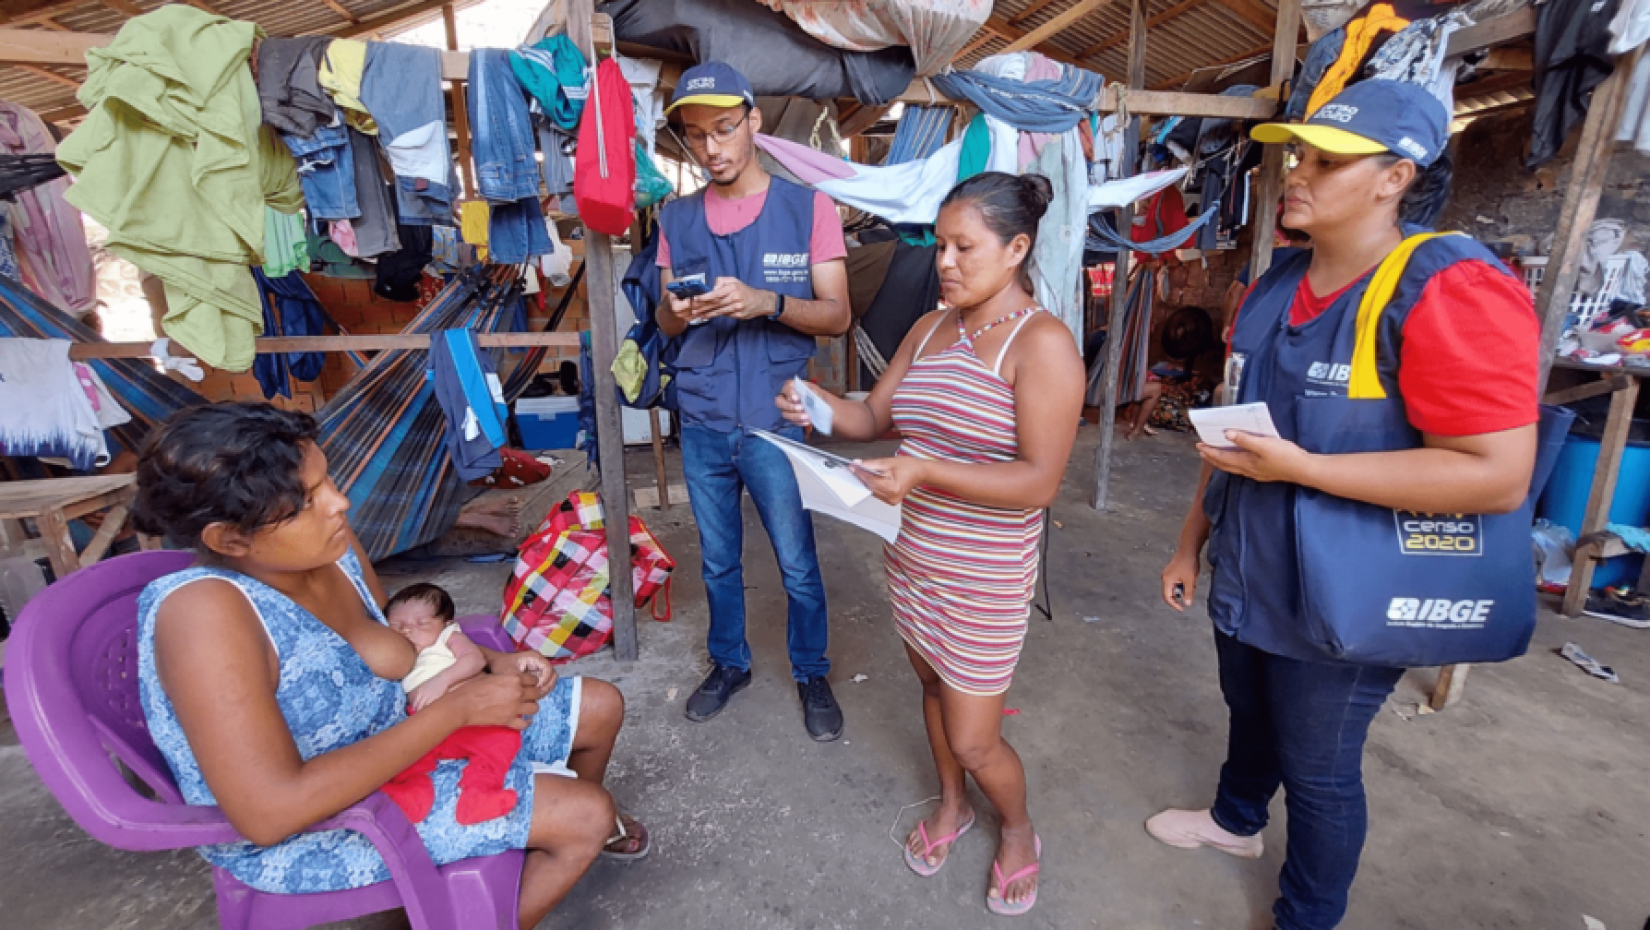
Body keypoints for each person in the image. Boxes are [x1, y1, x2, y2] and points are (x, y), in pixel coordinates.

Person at [1153, 80, 1539, 930]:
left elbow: (1499, 474)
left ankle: (1308, 916)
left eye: (1327, 161)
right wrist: (1191, 539)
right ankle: (1235, 822)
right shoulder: (1270, 288)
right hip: (1252, 565)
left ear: (1394, 177)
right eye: (1298, 154)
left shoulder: (1447, 288)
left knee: (1320, 765)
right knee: (1249, 706)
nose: (1298, 173)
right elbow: (1234, 439)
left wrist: (1303, 470)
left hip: (1354, 588)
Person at [132, 403, 648, 928]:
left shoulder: (328, 549)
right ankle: (528, 858)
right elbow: (269, 813)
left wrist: (491, 659)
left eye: (327, 479)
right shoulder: (205, 615)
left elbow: (401, 641)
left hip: (403, 731)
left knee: (601, 707)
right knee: (585, 815)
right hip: (324, 819)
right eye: (306, 501)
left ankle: (526, 829)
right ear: (229, 539)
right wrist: (457, 711)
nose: (340, 502)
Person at [777, 172, 1085, 916]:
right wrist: (819, 406)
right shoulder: (930, 328)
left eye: (963, 247)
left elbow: (1040, 482)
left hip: (984, 577)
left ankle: (1017, 827)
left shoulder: (1040, 344)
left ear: (1016, 249)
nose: (944, 261)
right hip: (913, 559)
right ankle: (954, 807)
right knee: (931, 691)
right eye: (938, 244)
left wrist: (924, 471)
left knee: (978, 739)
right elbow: (873, 418)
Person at [655, 62, 851, 740]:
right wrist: (678, 312)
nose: (712, 148)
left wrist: (768, 302)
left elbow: (838, 316)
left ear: (754, 123)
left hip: (776, 419)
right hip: (705, 418)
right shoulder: (675, 218)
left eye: (724, 129)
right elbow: (664, 319)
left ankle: (811, 670)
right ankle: (730, 662)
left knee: (797, 561)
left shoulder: (807, 208)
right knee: (717, 560)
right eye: (696, 136)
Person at [380, 583, 533, 827]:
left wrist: (443, 681)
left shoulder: (447, 637)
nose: (408, 631)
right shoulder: (399, 653)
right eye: (398, 626)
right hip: (426, 725)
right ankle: (410, 796)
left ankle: (478, 796)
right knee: (410, 758)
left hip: (475, 719)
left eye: (422, 624)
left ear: (447, 624)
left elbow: (473, 659)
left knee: (502, 741)